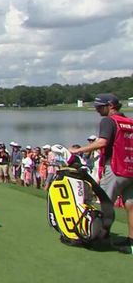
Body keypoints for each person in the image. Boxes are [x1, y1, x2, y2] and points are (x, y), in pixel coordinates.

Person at [70, 93, 133, 253]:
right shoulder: (129, 122)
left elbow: (102, 142)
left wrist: (79, 150)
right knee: (131, 207)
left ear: (110, 106)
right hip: (130, 170)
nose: (97, 110)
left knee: (103, 205)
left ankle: (97, 238)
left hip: (115, 169)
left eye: (100, 107)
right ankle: (131, 242)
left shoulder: (109, 121)